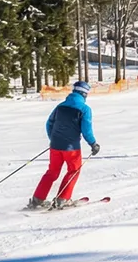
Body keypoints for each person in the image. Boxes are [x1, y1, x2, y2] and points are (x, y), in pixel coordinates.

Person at [29, 81, 100, 209]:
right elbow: (86, 130)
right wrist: (93, 143)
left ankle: (37, 199)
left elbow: (49, 124)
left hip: (55, 146)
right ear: (84, 94)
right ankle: (63, 199)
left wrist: (54, 139)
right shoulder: (84, 109)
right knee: (73, 171)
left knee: (52, 172)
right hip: (71, 148)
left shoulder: (60, 106)